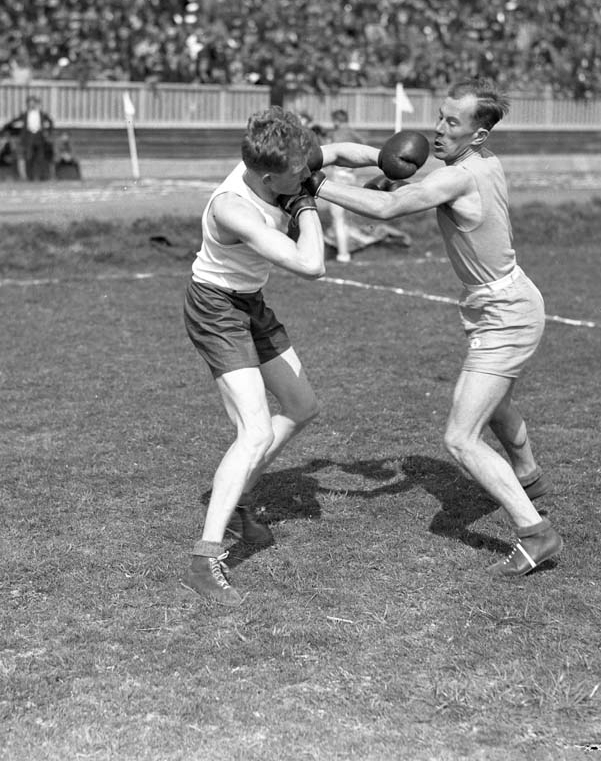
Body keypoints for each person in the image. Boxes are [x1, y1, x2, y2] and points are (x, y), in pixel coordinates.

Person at [313, 78, 561, 577]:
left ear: (478, 134)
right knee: (496, 404)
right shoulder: (478, 162)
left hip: (506, 316)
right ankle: (529, 478)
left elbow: (389, 207)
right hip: (503, 306)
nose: (439, 128)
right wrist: (332, 158)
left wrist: (314, 185)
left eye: (453, 122)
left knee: (460, 438)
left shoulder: (458, 177)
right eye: (440, 116)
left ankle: (536, 533)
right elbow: (389, 162)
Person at [180, 106, 329, 606]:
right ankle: (205, 559)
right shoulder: (233, 207)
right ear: (270, 177)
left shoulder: (286, 165)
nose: (306, 176)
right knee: (256, 430)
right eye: (298, 176)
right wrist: (308, 206)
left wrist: (392, 159)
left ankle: (240, 501)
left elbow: (347, 154)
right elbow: (312, 264)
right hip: (215, 306)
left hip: (250, 302)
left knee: (303, 407)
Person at [324, 108, 364, 263]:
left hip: (339, 177)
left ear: (337, 120)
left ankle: (342, 254)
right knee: (346, 219)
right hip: (351, 177)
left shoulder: (336, 134)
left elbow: (328, 153)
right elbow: (363, 146)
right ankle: (345, 250)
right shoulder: (353, 133)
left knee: (338, 218)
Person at [4, 96, 54, 181]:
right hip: (28, 138)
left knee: (40, 157)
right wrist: (5, 127)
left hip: (39, 137)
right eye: (30, 103)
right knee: (29, 157)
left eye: (33, 102)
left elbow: (50, 122)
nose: (31, 105)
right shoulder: (25, 114)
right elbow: (14, 120)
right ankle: (29, 176)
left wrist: (48, 132)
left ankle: (40, 176)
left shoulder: (41, 114)